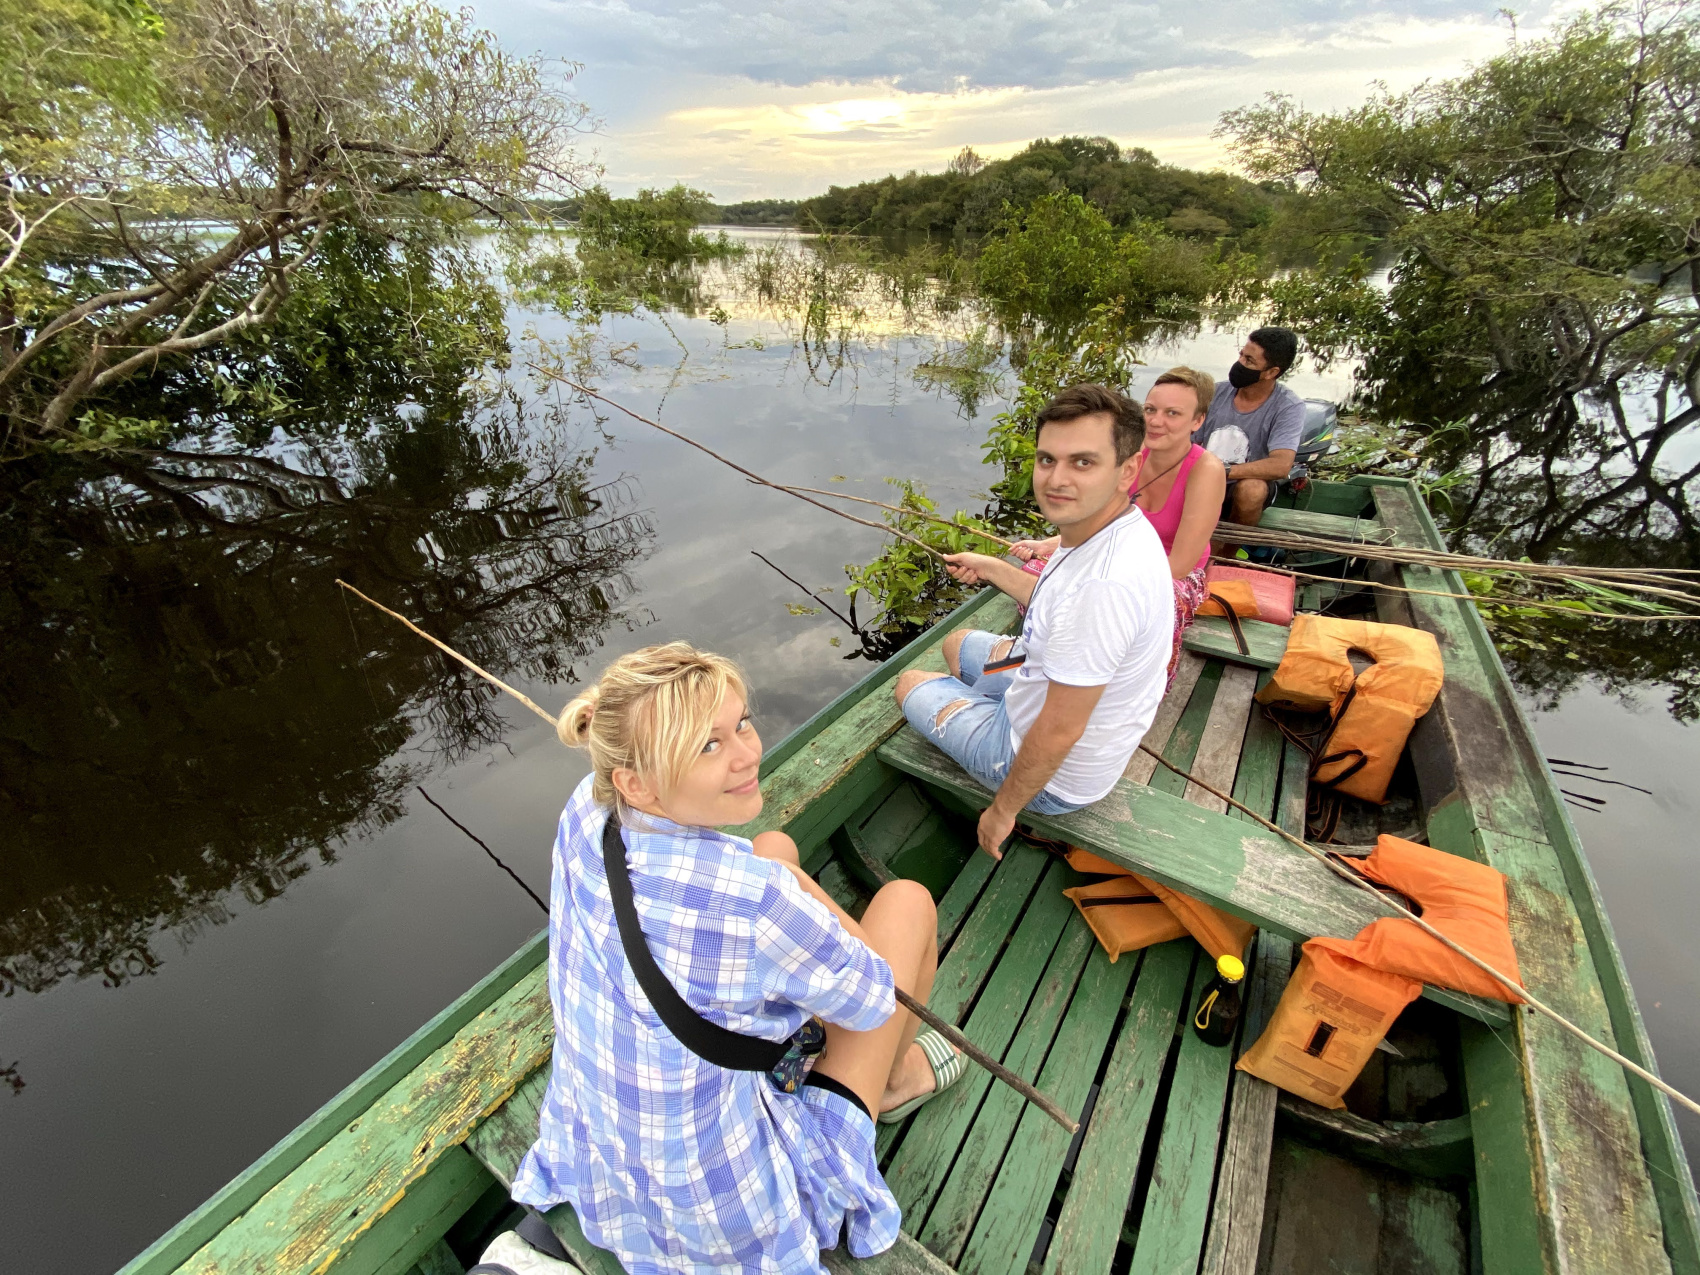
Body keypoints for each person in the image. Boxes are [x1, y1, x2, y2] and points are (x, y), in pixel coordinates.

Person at [512, 643, 966, 1274]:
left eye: (741, 724)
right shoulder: (752, 903)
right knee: (907, 904)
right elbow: (872, 996)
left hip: (608, 1150)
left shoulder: (584, 811)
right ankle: (893, 1082)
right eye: (708, 746)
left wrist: (775, 875)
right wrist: (795, 890)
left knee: (772, 843)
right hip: (726, 1205)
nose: (749, 753)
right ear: (635, 781)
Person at [892, 384, 1173, 860]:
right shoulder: (1104, 525)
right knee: (957, 643)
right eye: (1048, 460)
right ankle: (977, 701)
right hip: (1054, 693)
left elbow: (1061, 729)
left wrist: (1003, 810)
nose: (1056, 479)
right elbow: (1054, 601)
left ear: (1129, 470)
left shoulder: (1103, 589)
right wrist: (992, 568)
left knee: (909, 682)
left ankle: (979, 720)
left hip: (1056, 774)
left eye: (1082, 462)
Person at [1010, 368, 1226, 684]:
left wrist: (1103, 579)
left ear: (1197, 421)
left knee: (1134, 607)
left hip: (1170, 575)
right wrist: (1051, 544)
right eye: (1150, 409)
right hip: (1114, 552)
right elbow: (1098, 521)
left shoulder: (1205, 470)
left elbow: (1178, 566)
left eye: (1172, 413)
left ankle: (1128, 679)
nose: (1155, 421)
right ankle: (1059, 652)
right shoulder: (1131, 454)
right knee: (1032, 572)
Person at [1197, 326, 1306, 529]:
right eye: (1241, 355)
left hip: (1241, 483)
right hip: (1202, 479)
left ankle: (1230, 553)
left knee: (1252, 489)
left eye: (1249, 361)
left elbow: (1281, 465)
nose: (1240, 363)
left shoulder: (1288, 407)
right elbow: (1186, 439)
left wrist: (1222, 471)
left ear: (1271, 372)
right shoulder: (1214, 392)